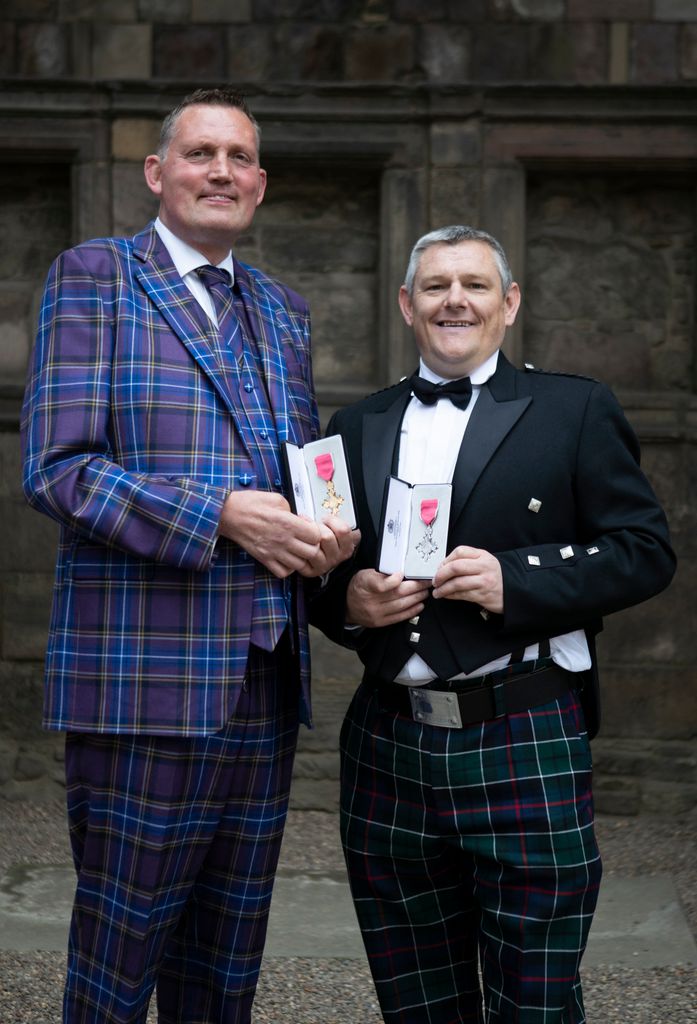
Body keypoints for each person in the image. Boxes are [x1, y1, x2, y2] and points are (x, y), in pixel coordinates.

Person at [21, 87, 358, 1024]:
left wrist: (323, 532)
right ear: (157, 172)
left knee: (226, 964)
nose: (221, 171)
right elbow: (58, 469)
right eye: (201, 152)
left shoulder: (282, 310)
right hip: (144, 674)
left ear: (259, 182)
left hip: (260, 674)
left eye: (239, 157)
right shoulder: (96, 276)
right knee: (119, 959)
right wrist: (219, 516)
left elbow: (292, 466)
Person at [311, 225, 676, 1023]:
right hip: (387, 741)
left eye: (474, 284)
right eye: (435, 285)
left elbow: (645, 552)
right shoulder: (352, 425)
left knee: (535, 1001)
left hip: (522, 728)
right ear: (407, 304)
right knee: (416, 998)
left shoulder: (572, 408)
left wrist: (517, 579)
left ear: (507, 304)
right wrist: (346, 602)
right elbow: (319, 572)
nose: (455, 300)